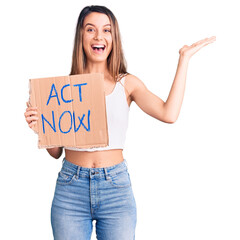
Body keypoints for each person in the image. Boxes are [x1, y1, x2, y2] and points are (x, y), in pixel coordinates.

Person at [24, 5, 216, 240]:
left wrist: (184, 59)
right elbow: (56, 152)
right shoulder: (63, 89)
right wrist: (40, 128)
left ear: (113, 38)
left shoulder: (127, 83)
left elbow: (169, 113)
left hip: (115, 188)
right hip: (70, 189)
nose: (98, 36)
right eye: (90, 29)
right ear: (81, 37)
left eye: (106, 30)